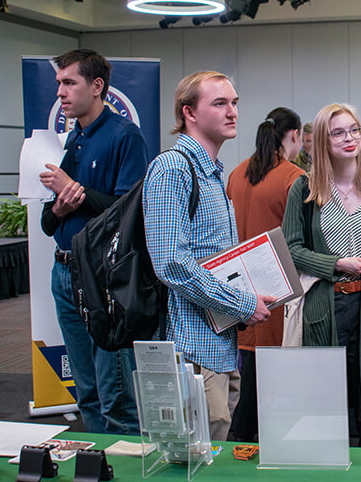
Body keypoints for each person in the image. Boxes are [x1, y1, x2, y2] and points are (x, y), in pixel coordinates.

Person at [142, 71, 271, 441]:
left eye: (234, 103)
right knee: (193, 459)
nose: (232, 112)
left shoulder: (213, 174)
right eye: (219, 103)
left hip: (219, 344)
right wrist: (242, 303)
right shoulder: (173, 169)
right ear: (189, 113)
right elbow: (171, 262)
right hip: (190, 345)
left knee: (212, 452)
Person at [282, 103, 361, 449]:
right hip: (325, 308)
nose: (349, 138)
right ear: (322, 140)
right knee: (323, 418)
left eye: (355, 130)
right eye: (338, 132)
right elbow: (291, 250)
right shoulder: (304, 190)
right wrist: (337, 263)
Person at [39, 49, 148, 435]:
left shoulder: (125, 137)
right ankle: (97, 468)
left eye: (69, 83)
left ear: (97, 86)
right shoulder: (69, 142)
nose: (61, 93)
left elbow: (129, 211)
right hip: (64, 271)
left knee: (115, 394)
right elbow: (47, 222)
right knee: (85, 393)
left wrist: (77, 193)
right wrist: (64, 205)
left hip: (104, 277)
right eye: (58, 84)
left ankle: (125, 468)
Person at [226, 107, 305, 442]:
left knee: (251, 389)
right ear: (294, 136)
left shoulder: (236, 174)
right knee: (272, 396)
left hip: (241, 295)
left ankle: (238, 454)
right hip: (279, 296)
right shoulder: (294, 177)